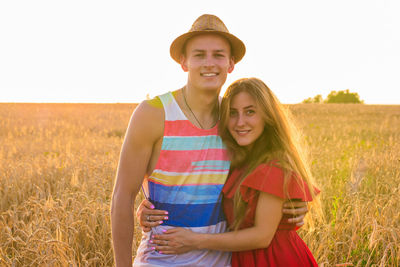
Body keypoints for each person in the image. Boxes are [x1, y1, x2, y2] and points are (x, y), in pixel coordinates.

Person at [111, 14, 308, 267]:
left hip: (222, 262)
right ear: (184, 61)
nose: (209, 63)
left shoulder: (235, 121)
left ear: (231, 63)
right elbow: (121, 197)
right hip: (160, 260)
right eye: (199, 54)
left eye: (218, 55)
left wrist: (292, 206)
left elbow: (268, 168)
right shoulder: (154, 113)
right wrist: (143, 210)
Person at [150, 78, 321, 266]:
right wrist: (148, 206)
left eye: (250, 112)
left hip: (274, 260)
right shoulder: (238, 160)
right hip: (245, 258)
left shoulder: (274, 165)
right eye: (232, 113)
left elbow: (262, 236)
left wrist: (194, 240)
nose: (240, 122)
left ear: (268, 116)